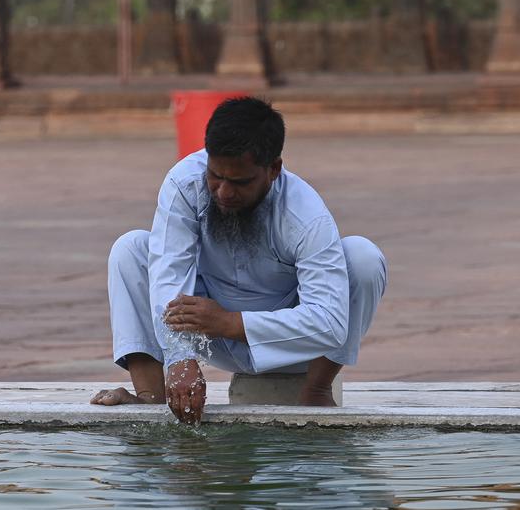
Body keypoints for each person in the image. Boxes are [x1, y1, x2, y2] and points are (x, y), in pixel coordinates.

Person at [91, 97, 386, 424]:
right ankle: (150, 399)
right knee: (131, 248)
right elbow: (168, 275)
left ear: (273, 169)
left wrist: (232, 322)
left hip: (289, 340)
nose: (224, 192)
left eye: (240, 182)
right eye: (216, 176)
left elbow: (330, 325)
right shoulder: (184, 183)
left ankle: (317, 390)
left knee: (363, 257)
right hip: (207, 329)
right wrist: (180, 360)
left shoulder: (306, 216)